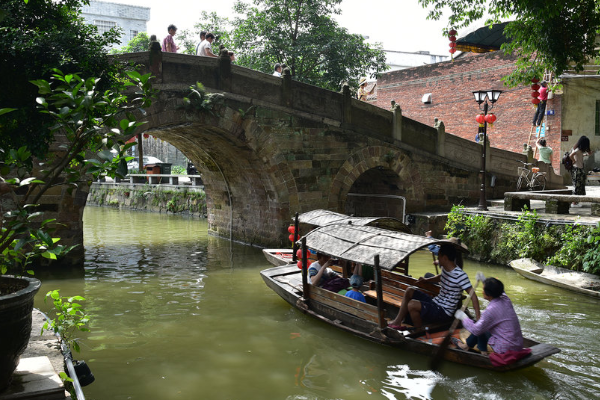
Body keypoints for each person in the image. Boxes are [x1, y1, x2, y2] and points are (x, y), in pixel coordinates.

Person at [387, 244, 480, 330]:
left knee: (412, 305)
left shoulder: (461, 275)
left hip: (444, 311)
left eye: (439, 255)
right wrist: (426, 280)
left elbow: (474, 296)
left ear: (445, 258)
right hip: (436, 302)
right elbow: (440, 277)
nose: (437, 258)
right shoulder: (445, 269)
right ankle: (397, 321)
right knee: (409, 290)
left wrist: (478, 320)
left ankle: (418, 330)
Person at [453, 277, 525, 357]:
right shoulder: (505, 298)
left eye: (483, 289)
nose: (482, 291)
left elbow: (476, 330)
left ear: (488, 294)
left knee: (480, 327)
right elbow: (496, 288)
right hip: (518, 345)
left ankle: (482, 352)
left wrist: (463, 317)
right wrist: (484, 279)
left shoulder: (490, 310)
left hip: (505, 349)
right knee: (483, 325)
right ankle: (467, 346)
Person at [569, 135, 592, 207]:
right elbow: (571, 155)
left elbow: (580, 155)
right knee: (577, 186)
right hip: (577, 170)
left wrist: (586, 154)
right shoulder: (578, 150)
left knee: (580, 186)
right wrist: (573, 160)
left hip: (580, 169)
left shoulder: (579, 150)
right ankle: (574, 203)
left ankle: (576, 202)